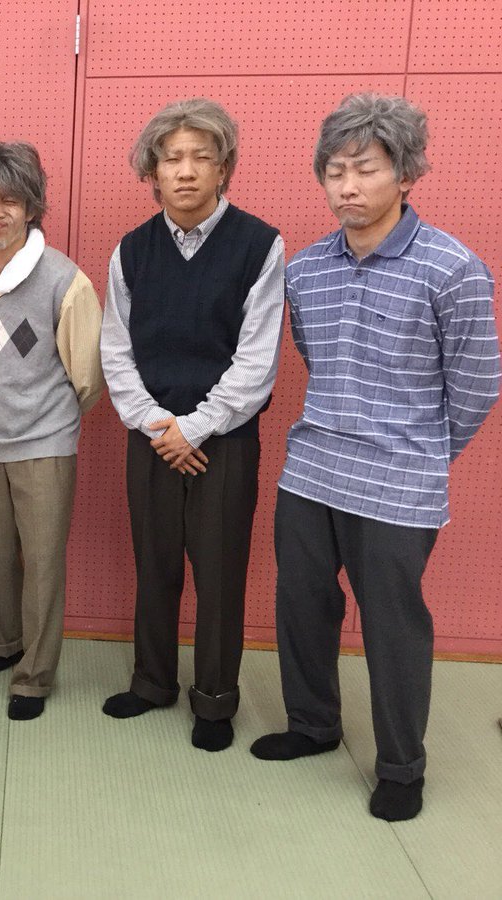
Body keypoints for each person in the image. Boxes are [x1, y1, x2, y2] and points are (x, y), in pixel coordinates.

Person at [251, 93, 499, 820]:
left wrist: (422, 455)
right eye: (335, 172)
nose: (347, 187)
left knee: (393, 627)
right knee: (302, 605)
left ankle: (401, 768)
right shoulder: (306, 269)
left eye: (365, 170)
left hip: (399, 484)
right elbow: (316, 359)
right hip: (312, 470)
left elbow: (477, 384)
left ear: (406, 174)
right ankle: (312, 726)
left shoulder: (452, 268)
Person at [99, 98, 285, 751]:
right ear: (152, 170)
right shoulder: (131, 251)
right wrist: (159, 425)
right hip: (152, 437)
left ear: (223, 167)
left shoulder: (260, 245)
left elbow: (257, 361)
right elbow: (115, 352)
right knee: (155, 567)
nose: (185, 170)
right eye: (171, 158)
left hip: (224, 441)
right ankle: (152, 682)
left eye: (201, 157)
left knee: (220, 575)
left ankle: (214, 700)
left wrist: (197, 427)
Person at [0, 141, 103, 720]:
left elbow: (87, 374)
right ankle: (2, 644)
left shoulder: (65, 280)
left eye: (10, 200)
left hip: (45, 443)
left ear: (32, 208)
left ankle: (34, 676)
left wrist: (46, 416)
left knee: (41, 562)